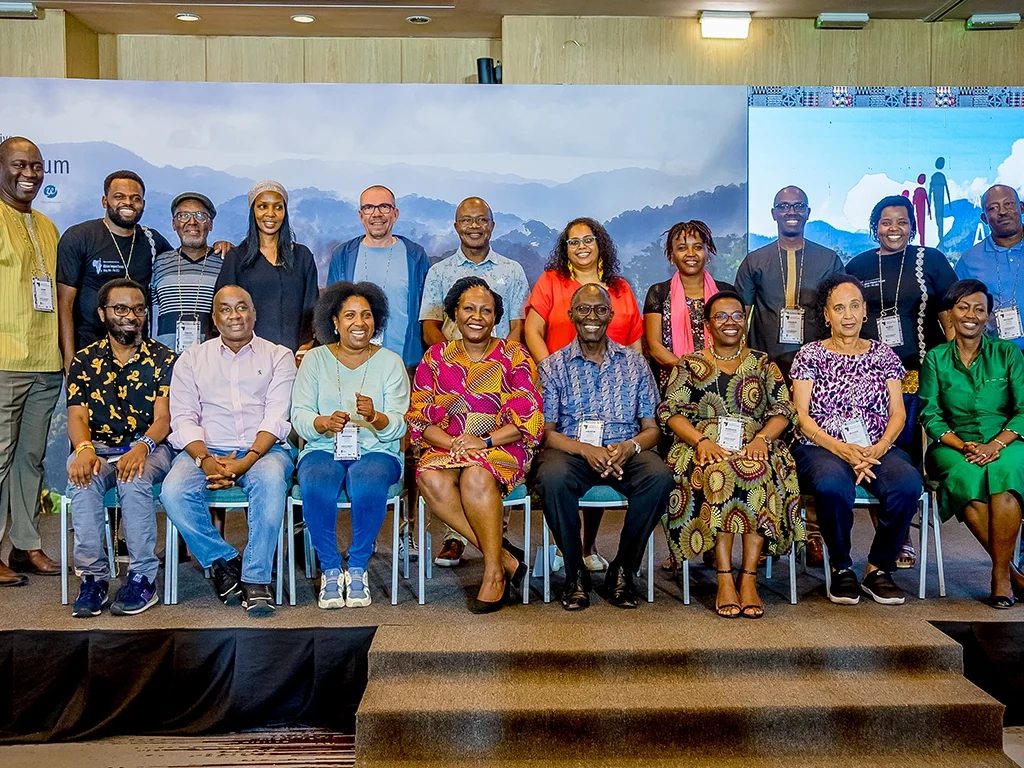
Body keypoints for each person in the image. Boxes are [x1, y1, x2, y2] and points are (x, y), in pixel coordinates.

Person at [657, 291, 802, 618]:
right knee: (719, 474)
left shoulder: (763, 363)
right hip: (702, 445)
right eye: (721, 316)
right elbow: (671, 412)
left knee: (758, 472)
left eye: (737, 315)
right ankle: (724, 577)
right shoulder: (691, 364)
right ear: (708, 324)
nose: (730, 322)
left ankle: (748, 578)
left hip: (757, 443)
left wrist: (763, 440)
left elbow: (783, 409)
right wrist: (699, 441)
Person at [533, 283, 674, 611]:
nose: (591, 317)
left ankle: (622, 569)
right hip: (572, 453)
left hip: (625, 450)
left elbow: (652, 430)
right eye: (583, 310)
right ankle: (575, 573)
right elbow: (548, 432)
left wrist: (629, 447)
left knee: (659, 478)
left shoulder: (635, 364)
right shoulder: (553, 367)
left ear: (611, 315)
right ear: (571, 316)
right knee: (552, 477)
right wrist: (585, 450)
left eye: (599, 310)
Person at [406, 276, 543, 613]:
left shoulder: (514, 355)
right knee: (429, 477)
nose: (477, 316)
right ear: (454, 313)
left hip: (499, 445)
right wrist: (456, 442)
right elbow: (419, 419)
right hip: (448, 444)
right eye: (469, 308)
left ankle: (494, 573)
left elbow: (529, 419)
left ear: (496, 317)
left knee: (475, 477)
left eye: (486, 310)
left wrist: (480, 441)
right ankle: (503, 556)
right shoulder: (436, 357)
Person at [161, 285, 296, 615]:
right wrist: (205, 460)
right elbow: (183, 417)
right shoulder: (192, 359)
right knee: (173, 491)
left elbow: (277, 416)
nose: (235, 315)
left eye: (242, 308)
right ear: (215, 318)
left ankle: (256, 578)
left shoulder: (279, 356)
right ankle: (224, 560)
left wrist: (246, 462)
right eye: (226, 309)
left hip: (264, 449)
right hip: (206, 450)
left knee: (271, 482)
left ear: (254, 313)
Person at [790, 274, 922, 606]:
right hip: (820, 446)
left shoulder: (885, 356)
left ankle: (878, 568)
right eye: (838, 308)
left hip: (877, 446)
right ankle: (842, 567)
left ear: (865, 311)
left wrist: (877, 448)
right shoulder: (809, 356)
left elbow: (898, 414)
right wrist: (844, 451)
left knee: (907, 485)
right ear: (826, 315)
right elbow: (802, 417)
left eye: (854, 306)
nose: (847, 315)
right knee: (832, 486)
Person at [524, 216, 643, 573]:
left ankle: (588, 544)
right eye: (573, 242)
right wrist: (553, 372)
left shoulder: (619, 288)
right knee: (562, 468)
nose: (581, 247)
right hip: (563, 392)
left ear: (600, 244)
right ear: (565, 249)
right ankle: (566, 546)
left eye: (588, 240)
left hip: (612, 394)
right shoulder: (551, 282)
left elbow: (635, 338)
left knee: (605, 456)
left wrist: (632, 381)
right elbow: (533, 330)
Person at [419, 197, 530, 568]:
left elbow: (516, 327)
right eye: (466, 220)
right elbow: (431, 325)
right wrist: (457, 362)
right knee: (436, 471)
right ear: (456, 226)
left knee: (478, 471)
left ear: (492, 225)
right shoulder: (439, 272)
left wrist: (493, 368)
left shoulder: (512, 271)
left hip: (496, 400)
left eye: (481, 219)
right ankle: (494, 550)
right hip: (452, 397)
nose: (474, 226)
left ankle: (494, 543)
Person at [292, 282, 410, 609]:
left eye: (367, 315)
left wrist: (376, 417)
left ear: (377, 321)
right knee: (315, 482)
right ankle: (331, 568)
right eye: (350, 315)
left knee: (369, 479)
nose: (359, 323)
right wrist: (323, 423)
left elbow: (400, 423)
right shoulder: (314, 360)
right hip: (322, 447)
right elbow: (299, 415)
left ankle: (357, 566)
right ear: (334, 321)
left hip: (377, 451)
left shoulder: (389, 362)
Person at [65, 278, 175, 617]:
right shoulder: (84, 361)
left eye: (139, 309)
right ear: (103, 313)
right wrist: (84, 448)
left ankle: (142, 577)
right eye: (121, 308)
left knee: (133, 476)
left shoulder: (164, 358)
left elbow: (164, 419)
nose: (131, 316)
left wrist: (142, 447)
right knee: (82, 479)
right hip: (97, 445)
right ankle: (93, 578)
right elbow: (76, 416)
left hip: (150, 446)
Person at [919, 279, 1024, 608]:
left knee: (1003, 473)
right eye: (963, 307)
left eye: (979, 309)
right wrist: (963, 445)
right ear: (950, 314)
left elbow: (1023, 410)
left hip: (1006, 440)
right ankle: (1011, 574)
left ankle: (1001, 578)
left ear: (989, 317)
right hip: (953, 446)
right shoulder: (936, 358)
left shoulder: (1008, 353)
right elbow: (930, 414)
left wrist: (996, 445)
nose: (971, 315)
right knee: (965, 476)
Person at [0, 136, 63, 585]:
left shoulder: (45, 225)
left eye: (37, 166)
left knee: (30, 458)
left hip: (45, 361)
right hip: (4, 359)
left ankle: (24, 546)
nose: (30, 174)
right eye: (19, 164)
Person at [57, 171, 173, 366]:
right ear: (105, 201)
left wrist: (220, 248)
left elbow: (183, 261)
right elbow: (64, 304)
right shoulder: (79, 237)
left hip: (137, 358)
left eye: (135, 198)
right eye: (119, 197)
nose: (128, 203)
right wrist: (70, 363)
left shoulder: (152, 241)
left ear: (143, 204)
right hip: (89, 356)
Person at [734, 186, 845, 379]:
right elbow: (740, 315)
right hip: (764, 363)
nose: (792, 211)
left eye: (798, 206)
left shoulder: (828, 260)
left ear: (808, 213)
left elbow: (841, 312)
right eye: (784, 206)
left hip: (818, 364)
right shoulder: (755, 261)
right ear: (774, 213)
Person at [326, 185, 431, 370]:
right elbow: (331, 311)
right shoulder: (342, 256)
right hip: (352, 365)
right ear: (361, 215)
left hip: (405, 365)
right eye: (369, 207)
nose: (376, 214)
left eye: (384, 207)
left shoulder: (415, 256)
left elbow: (428, 313)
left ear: (395, 213)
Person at [215, 181, 319, 353]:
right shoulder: (237, 258)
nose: (270, 214)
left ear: (285, 212)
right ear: (253, 211)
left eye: (278, 207)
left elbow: (311, 307)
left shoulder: (302, 256)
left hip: (296, 356)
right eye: (263, 206)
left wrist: (305, 348)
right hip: (248, 356)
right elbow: (224, 309)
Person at [644, 219, 735, 391]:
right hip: (672, 384)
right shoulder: (658, 293)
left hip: (721, 383)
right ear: (671, 255)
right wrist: (690, 373)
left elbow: (737, 340)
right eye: (682, 248)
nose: (690, 253)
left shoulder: (726, 293)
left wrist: (714, 376)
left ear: (708, 254)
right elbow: (654, 346)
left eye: (698, 247)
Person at [151, 192, 223, 353]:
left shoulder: (225, 262)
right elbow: (152, 313)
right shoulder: (159, 263)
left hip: (212, 358)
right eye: (183, 215)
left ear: (210, 224)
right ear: (174, 224)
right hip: (165, 358)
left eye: (200, 215)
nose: (192, 222)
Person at [955, 185, 1024, 350]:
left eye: (1008, 204)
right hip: (993, 356)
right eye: (993, 208)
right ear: (984, 218)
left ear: (1021, 207)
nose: (1002, 211)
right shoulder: (969, 260)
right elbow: (957, 310)